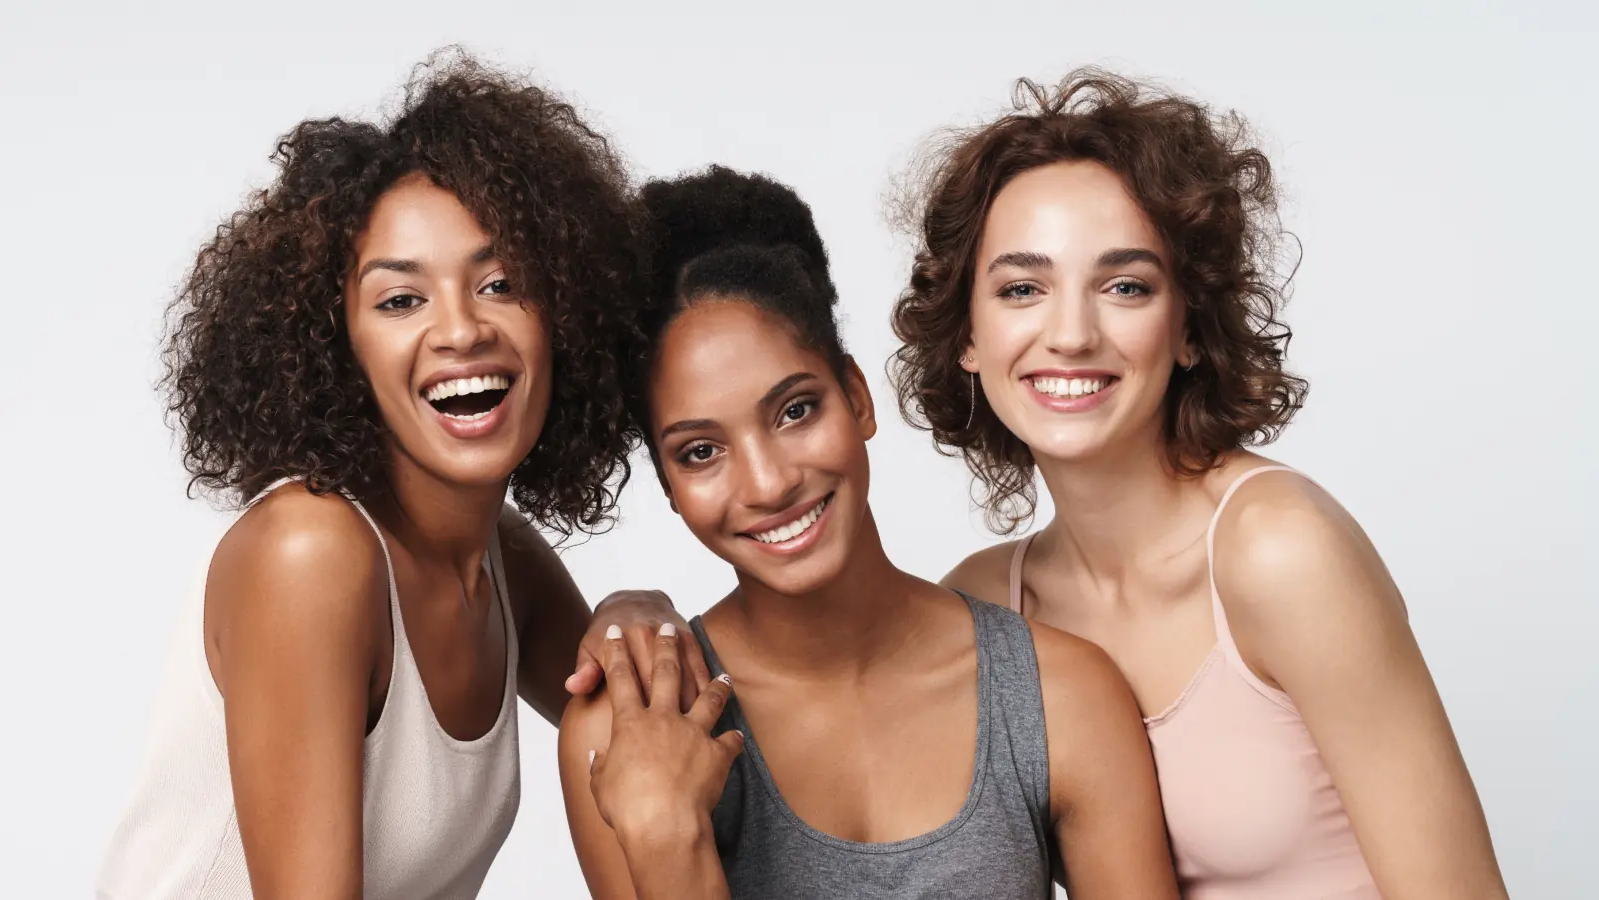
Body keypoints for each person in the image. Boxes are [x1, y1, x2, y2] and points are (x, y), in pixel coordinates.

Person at [888, 70, 1509, 899]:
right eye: (1023, 289)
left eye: (1125, 287)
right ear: (968, 335)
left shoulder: (1279, 550)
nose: (1070, 334)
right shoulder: (986, 611)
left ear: (1187, 327)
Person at [97, 51, 697, 900]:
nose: (461, 330)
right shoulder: (307, 554)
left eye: (500, 282)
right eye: (400, 300)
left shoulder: (501, 559)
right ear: (334, 344)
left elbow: (627, 715)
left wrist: (637, 611)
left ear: (565, 309)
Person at [558, 165, 1179, 900]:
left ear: (856, 398)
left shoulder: (1060, 696)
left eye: (794, 410)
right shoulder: (625, 732)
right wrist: (665, 835)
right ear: (668, 486)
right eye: (701, 452)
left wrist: (668, 840)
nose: (768, 484)